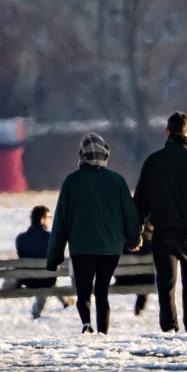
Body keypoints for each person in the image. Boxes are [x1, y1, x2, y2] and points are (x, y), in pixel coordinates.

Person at [46, 133, 142, 334]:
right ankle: (103, 332)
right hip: (110, 249)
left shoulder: (72, 182)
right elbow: (130, 214)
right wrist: (134, 239)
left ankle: (86, 323)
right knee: (102, 291)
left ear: (82, 155)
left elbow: (61, 222)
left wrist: (54, 257)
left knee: (84, 293)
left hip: (82, 248)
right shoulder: (117, 181)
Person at [134, 111, 187, 333]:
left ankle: (169, 327)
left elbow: (140, 202)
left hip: (162, 232)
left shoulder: (153, 161)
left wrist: (138, 230)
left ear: (167, 131)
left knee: (166, 285)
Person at [8, 205, 71, 318]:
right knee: (48, 276)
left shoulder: (21, 239)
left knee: (43, 276)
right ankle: (65, 302)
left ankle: (40, 311)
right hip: (48, 280)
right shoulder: (52, 238)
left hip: (29, 281)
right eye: (49, 217)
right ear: (42, 219)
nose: (50, 220)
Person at [113, 220, 154, 316]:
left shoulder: (121, 239)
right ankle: (141, 300)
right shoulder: (150, 243)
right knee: (147, 272)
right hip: (145, 280)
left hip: (123, 280)